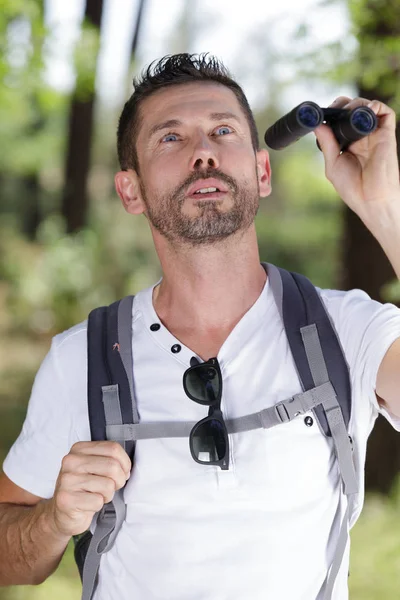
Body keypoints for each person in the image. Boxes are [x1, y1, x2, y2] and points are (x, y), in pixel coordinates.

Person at [0, 52, 399, 600]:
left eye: (223, 131)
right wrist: (52, 520)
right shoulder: (81, 360)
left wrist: (385, 208)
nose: (204, 152)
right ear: (130, 191)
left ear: (262, 172)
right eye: (171, 138)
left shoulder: (346, 330)